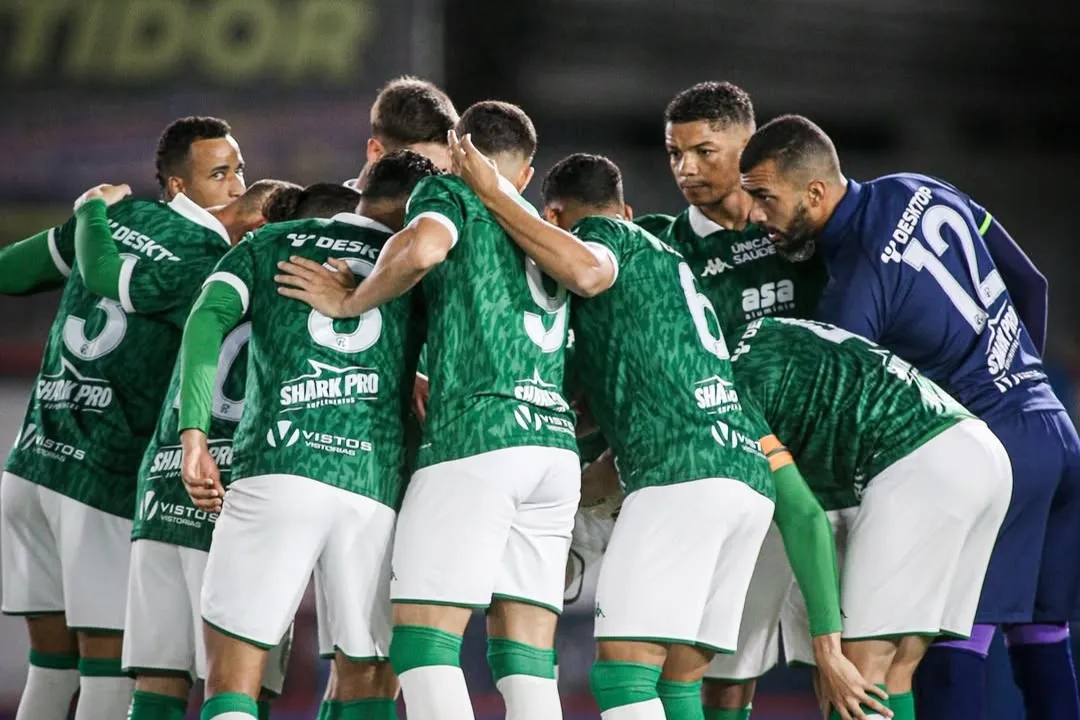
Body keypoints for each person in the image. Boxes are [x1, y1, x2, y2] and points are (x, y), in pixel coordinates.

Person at [449, 147, 882, 720]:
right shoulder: (669, 267)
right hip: (744, 476)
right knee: (678, 685)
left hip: (681, 479)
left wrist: (497, 196)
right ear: (628, 208)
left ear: (554, 218)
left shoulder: (605, 239)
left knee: (623, 676)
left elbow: (584, 268)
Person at [739, 113, 1080, 720]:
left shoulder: (853, 289)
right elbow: (1031, 282)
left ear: (815, 193)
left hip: (990, 446)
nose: (758, 215)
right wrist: (1015, 373)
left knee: (952, 643)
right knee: (1041, 639)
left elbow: (855, 420)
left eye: (766, 198)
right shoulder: (921, 187)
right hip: (1054, 427)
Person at [275, 102, 579, 720]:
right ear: (524, 174)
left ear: (461, 151)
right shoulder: (542, 229)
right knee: (525, 658)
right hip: (551, 444)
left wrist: (352, 300)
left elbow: (422, 252)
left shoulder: (448, 195)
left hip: (475, 436)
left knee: (419, 642)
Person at [0, 116, 260, 720]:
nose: (236, 184)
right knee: (109, 665)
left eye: (239, 169)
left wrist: (88, 213)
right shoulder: (209, 261)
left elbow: (11, 271)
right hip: (100, 478)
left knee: (51, 664)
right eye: (219, 173)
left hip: (31, 462)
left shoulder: (115, 219)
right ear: (176, 184)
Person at [179, 153, 440, 720]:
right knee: (369, 672)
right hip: (373, 482)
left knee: (235, 670)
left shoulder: (270, 243)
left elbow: (207, 318)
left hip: (279, 466)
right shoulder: (417, 264)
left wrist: (195, 437)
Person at [728, 316, 1012, 720]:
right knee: (894, 673)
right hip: (977, 450)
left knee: (858, 673)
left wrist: (827, 650)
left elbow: (805, 516)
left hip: (917, 461)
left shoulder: (725, 391)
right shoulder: (767, 331)